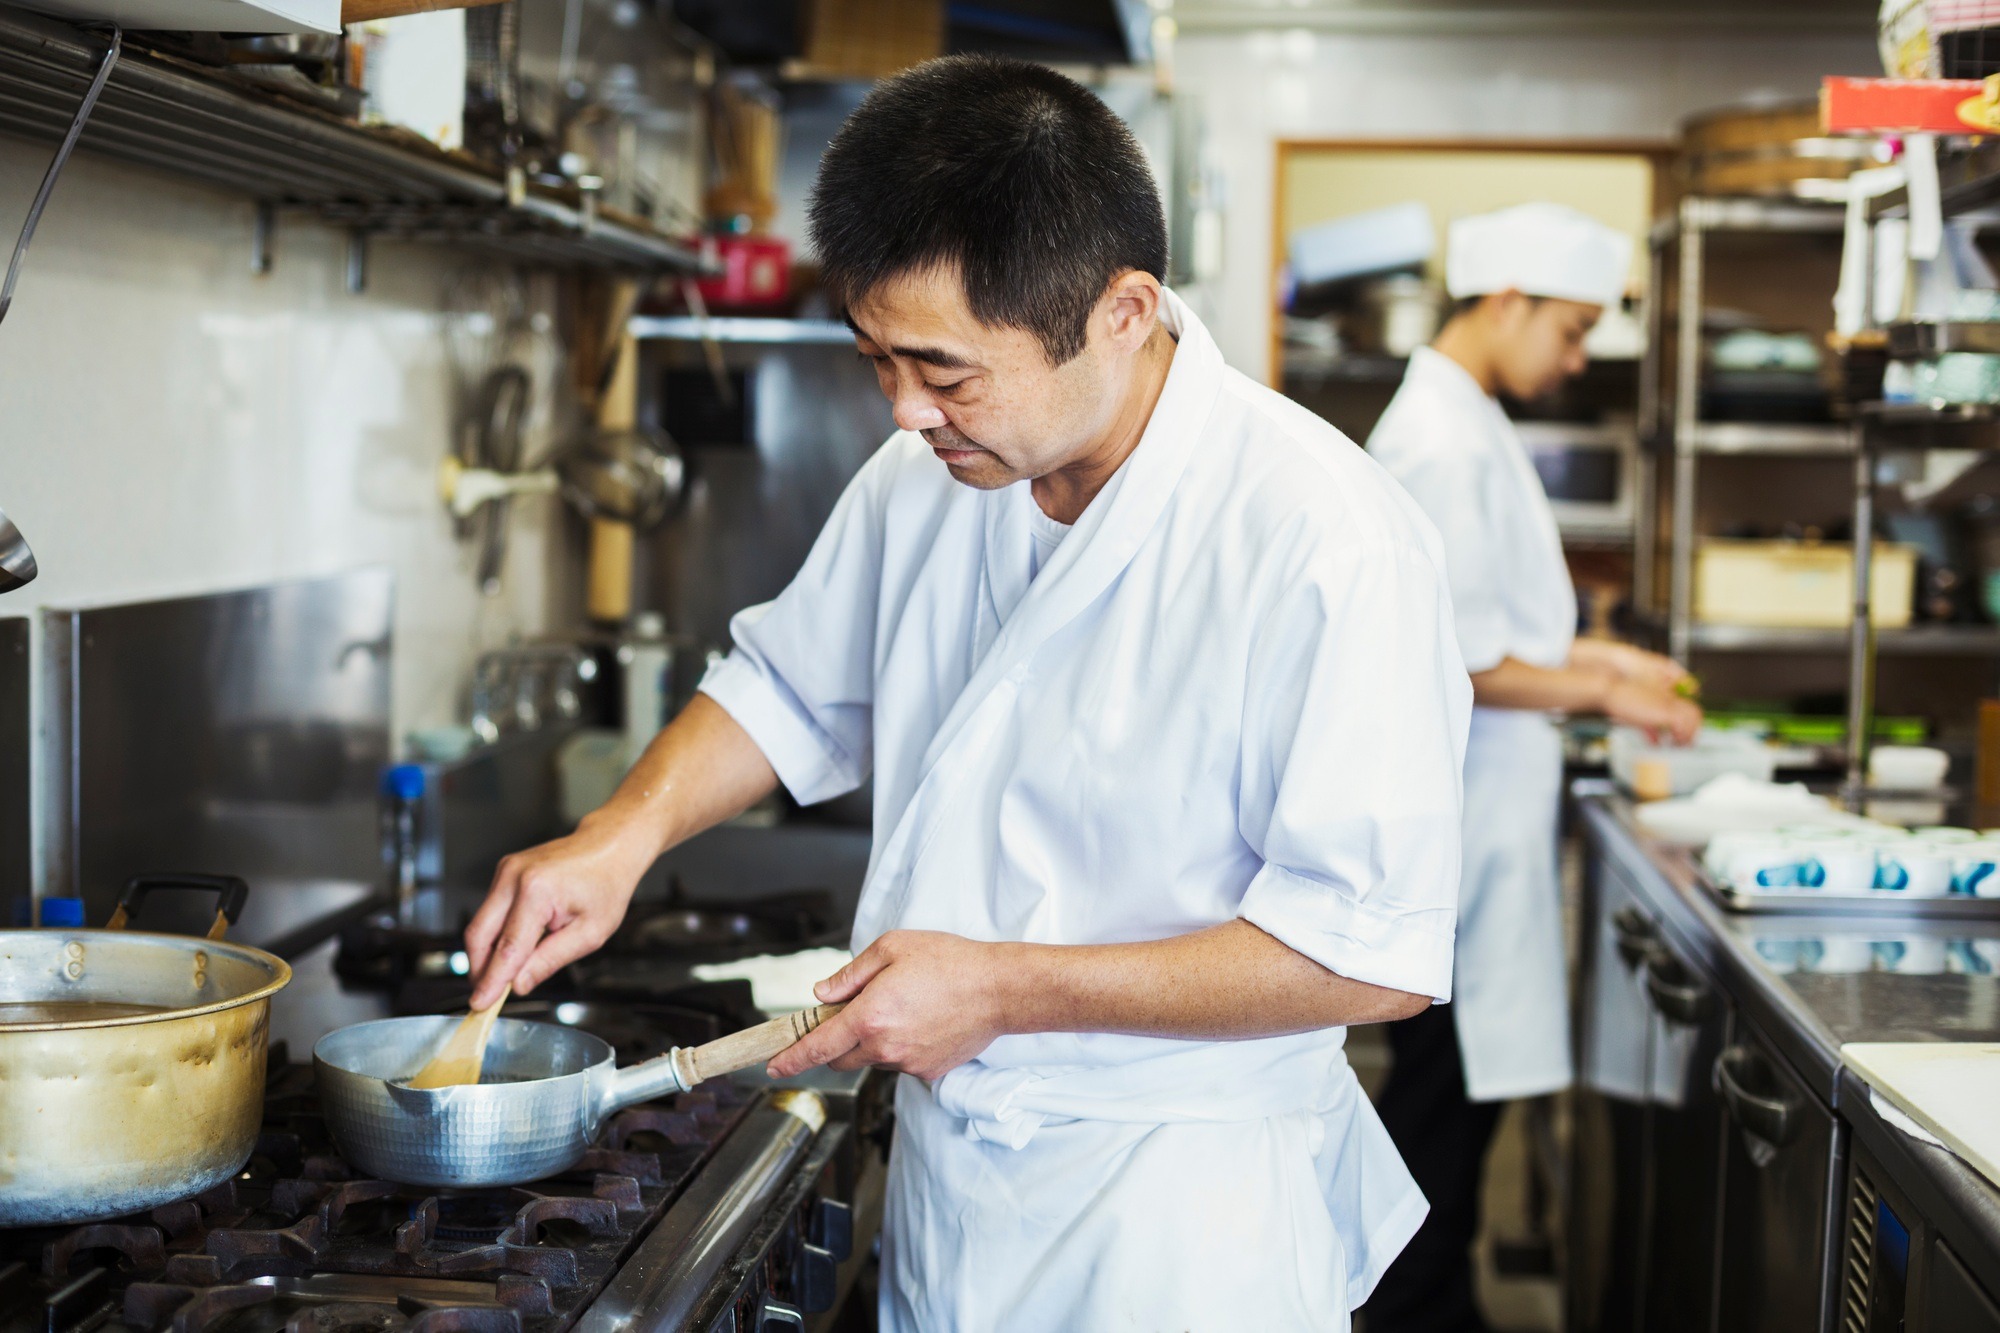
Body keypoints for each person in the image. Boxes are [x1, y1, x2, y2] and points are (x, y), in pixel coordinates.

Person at [465, 55, 1473, 1331]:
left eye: (944, 374)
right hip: (957, 1192)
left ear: (1123, 310)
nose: (903, 412)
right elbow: (787, 687)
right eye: (876, 359)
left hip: (1176, 1222)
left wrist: (1003, 989)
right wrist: (620, 835)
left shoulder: (1324, 539)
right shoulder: (929, 476)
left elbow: (1365, 953)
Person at [1363, 203, 1703, 1333]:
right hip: (1459, 818)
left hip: (1486, 813)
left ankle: (1431, 1298)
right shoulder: (1441, 440)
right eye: (1567, 330)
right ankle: (1414, 1310)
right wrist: (1602, 687)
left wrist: (1603, 656)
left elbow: (1499, 619)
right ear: (1501, 301)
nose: (1572, 360)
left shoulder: (1467, 418)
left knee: (1449, 1101)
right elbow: (1459, 653)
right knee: (1438, 1105)